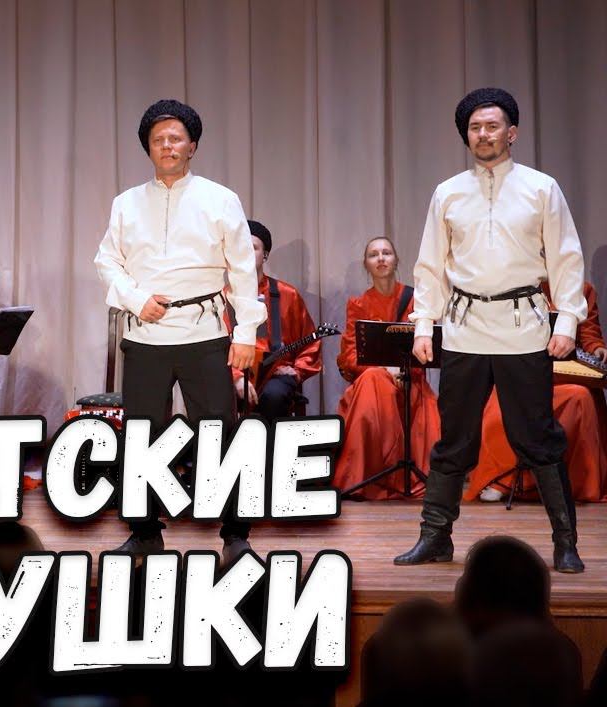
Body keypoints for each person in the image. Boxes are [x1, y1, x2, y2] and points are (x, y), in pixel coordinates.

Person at [396, 88, 587, 573]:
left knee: (537, 437)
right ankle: (435, 538)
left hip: (523, 328)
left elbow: (565, 257)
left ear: (511, 132)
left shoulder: (541, 188)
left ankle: (566, 543)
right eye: (475, 128)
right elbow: (430, 265)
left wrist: (567, 319)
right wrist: (423, 325)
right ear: (467, 136)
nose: (484, 134)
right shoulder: (448, 192)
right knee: (455, 439)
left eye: (492, 126)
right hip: (464, 329)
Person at [94, 99, 265, 565]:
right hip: (145, 334)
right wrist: (135, 299)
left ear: (192, 146)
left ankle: (235, 533)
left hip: (204, 334)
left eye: (176, 138)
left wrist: (246, 332)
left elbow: (242, 268)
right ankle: (145, 532)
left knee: (220, 434)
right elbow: (107, 261)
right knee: (141, 437)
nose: (167, 146)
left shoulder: (220, 198)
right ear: (148, 148)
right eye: (158, 140)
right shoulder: (126, 203)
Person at [468, 280, 607, 502]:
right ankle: (503, 481)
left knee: (581, 397)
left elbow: (589, 333)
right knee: (500, 405)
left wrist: (597, 348)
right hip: (521, 370)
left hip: (566, 375)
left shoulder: (581, 288)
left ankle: (572, 484)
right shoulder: (515, 281)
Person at [333, 237, 441, 499]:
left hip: (410, 382)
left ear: (396, 260)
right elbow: (350, 356)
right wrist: (386, 371)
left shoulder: (416, 301)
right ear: (366, 264)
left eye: (386, 253)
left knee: (379, 381)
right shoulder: (358, 304)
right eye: (374, 254)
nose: (381, 258)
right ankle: (373, 475)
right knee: (373, 379)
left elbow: (429, 349)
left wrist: (403, 372)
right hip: (372, 383)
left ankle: (372, 475)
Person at [229, 220, 321, 418]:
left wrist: (297, 370)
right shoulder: (223, 296)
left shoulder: (288, 294)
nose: (246, 253)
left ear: (265, 255)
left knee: (274, 396)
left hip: (276, 373)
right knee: (214, 397)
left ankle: (271, 439)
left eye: (253, 247)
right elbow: (214, 348)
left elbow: (310, 342)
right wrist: (236, 377)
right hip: (232, 373)